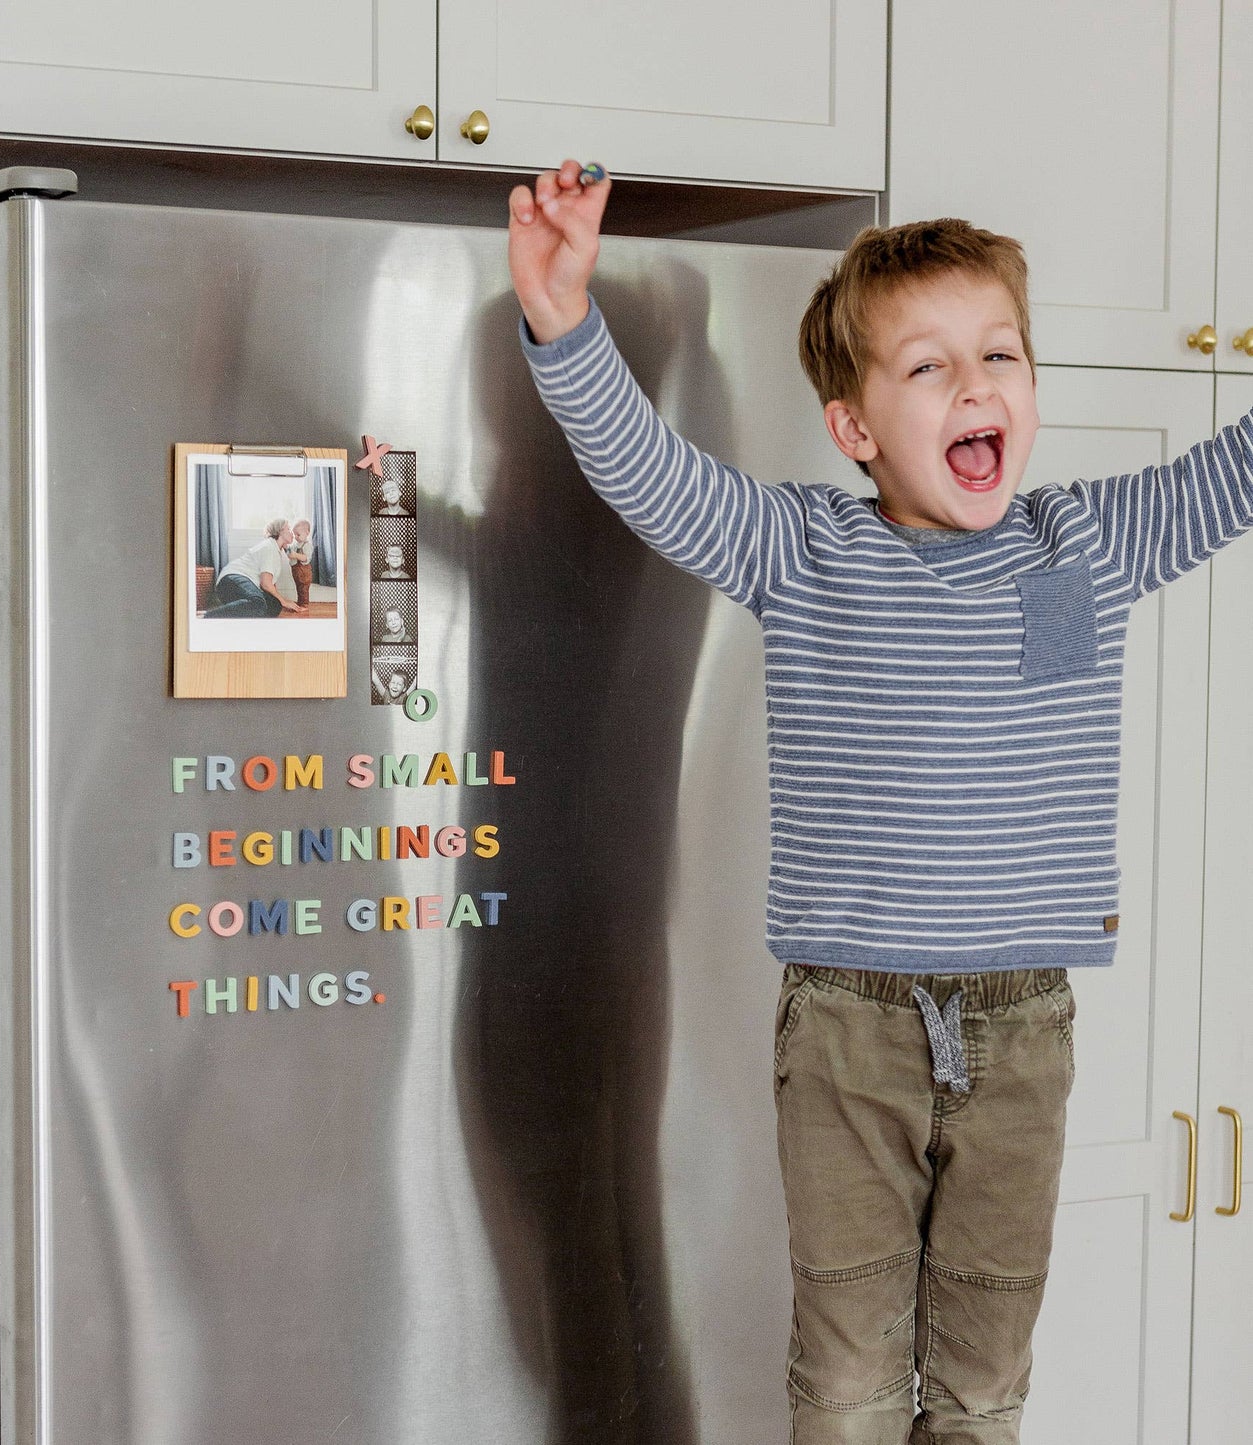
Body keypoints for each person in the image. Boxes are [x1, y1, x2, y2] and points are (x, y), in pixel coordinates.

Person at [508, 158, 1253, 1442]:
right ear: (852, 426)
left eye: (1000, 355)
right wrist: (565, 318)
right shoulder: (800, 548)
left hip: (1022, 1030)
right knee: (849, 1382)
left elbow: (1231, 476)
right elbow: (645, 473)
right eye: (927, 368)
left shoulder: (1085, 545)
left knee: (979, 1385)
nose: (976, 386)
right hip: (847, 1029)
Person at [204, 518, 302, 617]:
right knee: (257, 603)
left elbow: (271, 583)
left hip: (238, 586)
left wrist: (280, 601)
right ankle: (208, 615)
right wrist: (284, 601)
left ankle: (237, 612)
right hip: (231, 580)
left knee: (275, 605)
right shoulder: (269, 547)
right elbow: (266, 584)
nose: (292, 533)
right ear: (280, 531)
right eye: (289, 529)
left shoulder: (275, 549)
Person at [286, 518, 314, 610]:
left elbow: (306, 558)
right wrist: (287, 549)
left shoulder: (307, 545)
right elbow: (290, 553)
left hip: (304, 572)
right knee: (299, 588)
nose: (296, 537)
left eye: (298, 534)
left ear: (307, 533)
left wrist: (295, 555)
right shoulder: (295, 545)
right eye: (295, 535)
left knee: (304, 589)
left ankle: (304, 605)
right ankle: (300, 602)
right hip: (297, 572)